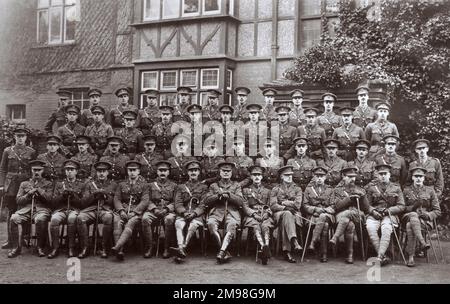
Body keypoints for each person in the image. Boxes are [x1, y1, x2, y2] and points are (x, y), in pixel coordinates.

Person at [7, 160, 53, 258]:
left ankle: (40, 247)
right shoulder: (24, 184)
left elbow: (50, 200)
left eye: (39, 170)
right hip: (26, 210)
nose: (36, 172)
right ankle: (16, 248)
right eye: (34, 170)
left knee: (40, 219)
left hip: (42, 209)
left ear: (43, 170)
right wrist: (28, 194)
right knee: (14, 218)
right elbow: (18, 200)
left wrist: (39, 190)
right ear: (31, 170)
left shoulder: (48, 184)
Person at [0, 127, 36, 249]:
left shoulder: (31, 151)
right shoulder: (7, 151)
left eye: (23, 136)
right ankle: (10, 240)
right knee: (11, 211)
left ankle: (24, 238)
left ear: (26, 138)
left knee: (24, 210)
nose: (20, 138)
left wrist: (32, 184)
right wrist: (1, 184)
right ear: (14, 137)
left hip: (24, 183)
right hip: (10, 184)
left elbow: (33, 169)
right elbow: (3, 169)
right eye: (18, 136)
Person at [203, 161, 244, 264]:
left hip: (232, 213)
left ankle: (221, 252)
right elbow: (206, 201)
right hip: (216, 212)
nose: (226, 173)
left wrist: (229, 195)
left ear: (231, 173)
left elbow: (240, 201)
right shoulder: (213, 186)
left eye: (228, 171)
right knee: (211, 224)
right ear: (219, 172)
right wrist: (218, 196)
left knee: (232, 224)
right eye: (223, 171)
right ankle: (224, 250)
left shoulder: (236, 185)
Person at [365, 164, 405, 266]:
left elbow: (401, 206)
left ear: (389, 175)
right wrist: (373, 211)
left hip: (389, 215)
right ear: (377, 175)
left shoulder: (396, 188)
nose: (383, 176)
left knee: (386, 228)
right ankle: (383, 256)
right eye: (381, 174)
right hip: (375, 215)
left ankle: (379, 256)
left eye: (385, 174)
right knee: (370, 227)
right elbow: (367, 205)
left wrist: (388, 211)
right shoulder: (371, 188)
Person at [170, 160, 208, 262]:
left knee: (193, 225)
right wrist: (184, 212)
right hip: (184, 213)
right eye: (191, 170)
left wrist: (195, 213)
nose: (193, 173)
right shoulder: (181, 187)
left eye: (195, 170)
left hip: (197, 214)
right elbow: (177, 203)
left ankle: (182, 248)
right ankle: (180, 246)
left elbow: (203, 204)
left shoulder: (204, 187)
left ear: (199, 172)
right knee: (179, 224)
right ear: (187, 172)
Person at [111, 161, 150, 261]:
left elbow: (145, 201)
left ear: (138, 171)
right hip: (123, 210)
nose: (132, 172)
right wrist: (121, 211)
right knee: (117, 221)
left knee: (131, 222)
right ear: (127, 171)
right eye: (130, 170)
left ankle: (118, 246)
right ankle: (119, 251)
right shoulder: (121, 184)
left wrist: (135, 212)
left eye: (134, 170)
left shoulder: (144, 185)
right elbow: (117, 199)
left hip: (137, 212)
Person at [329, 165, 368, 264]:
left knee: (348, 214)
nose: (352, 179)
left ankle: (335, 237)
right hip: (341, 216)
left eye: (353, 177)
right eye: (349, 177)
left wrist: (362, 197)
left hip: (357, 215)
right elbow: (336, 206)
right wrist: (349, 199)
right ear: (343, 176)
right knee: (349, 224)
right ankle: (350, 254)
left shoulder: (360, 189)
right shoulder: (337, 190)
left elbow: (366, 208)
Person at [402, 166, 440, 267]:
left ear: (424, 178)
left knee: (410, 226)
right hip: (407, 217)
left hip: (424, 222)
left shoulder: (430, 191)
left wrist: (427, 215)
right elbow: (402, 208)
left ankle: (411, 257)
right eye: (416, 176)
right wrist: (413, 207)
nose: (418, 178)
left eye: (421, 176)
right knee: (413, 215)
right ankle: (423, 243)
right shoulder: (406, 191)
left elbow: (437, 211)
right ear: (412, 178)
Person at [78, 161, 117, 258]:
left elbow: (115, 201)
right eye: (99, 171)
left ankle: (104, 247)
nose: (101, 173)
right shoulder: (90, 184)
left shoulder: (113, 184)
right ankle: (85, 248)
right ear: (96, 173)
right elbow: (84, 202)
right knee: (80, 217)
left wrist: (106, 196)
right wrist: (94, 195)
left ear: (108, 173)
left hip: (105, 209)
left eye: (104, 171)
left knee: (108, 217)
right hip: (91, 210)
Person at [48, 160, 85, 259]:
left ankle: (71, 247)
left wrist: (74, 196)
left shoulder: (82, 185)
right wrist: (62, 196)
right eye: (67, 169)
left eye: (72, 169)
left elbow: (83, 203)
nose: (69, 171)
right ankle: (55, 247)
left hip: (74, 210)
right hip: (61, 210)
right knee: (54, 219)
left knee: (72, 219)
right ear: (65, 171)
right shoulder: (59, 184)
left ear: (76, 171)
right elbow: (53, 202)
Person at [142, 161, 177, 258]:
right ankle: (150, 247)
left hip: (167, 211)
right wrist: (154, 209)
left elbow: (176, 201)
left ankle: (167, 247)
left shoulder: (174, 186)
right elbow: (146, 200)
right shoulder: (150, 185)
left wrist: (167, 209)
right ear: (157, 172)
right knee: (145, 219)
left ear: (168, 172)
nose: (162, 173)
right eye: (160, 170)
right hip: (153, 210)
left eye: (165, 170)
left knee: (169, 219)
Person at [269, 165, 303, 263]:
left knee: (287, 216)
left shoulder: (297, 189)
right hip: (278, 214)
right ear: (281, 177)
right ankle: (294, 241)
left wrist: (283, 202)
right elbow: (273, 205)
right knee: (287, 214)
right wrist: (284, 207)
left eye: (291, 175)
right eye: (286, 175)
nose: (289, 177)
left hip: (295, 214)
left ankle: (287, 251)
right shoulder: (276, 189)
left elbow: (297, 205)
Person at [242, 165, 273, 265]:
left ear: (262, 177)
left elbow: (270, 205)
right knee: (255, 226)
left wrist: (267, 214)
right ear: (250, 177)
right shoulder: (246, 191)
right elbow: (245, 206)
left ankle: (265, 247)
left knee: (265, 226)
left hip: (264, 215)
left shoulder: (268, 191)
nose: (256, 177)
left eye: (259, 175)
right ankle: (263, 246)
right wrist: (254, 214)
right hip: (252, 215)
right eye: (254, 175)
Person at [303, 166, 335, 262]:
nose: (319, 178)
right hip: (313, 216)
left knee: (323, 217)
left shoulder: (330, 189)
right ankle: (324, 253)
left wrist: (324, 210)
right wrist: (315, 209)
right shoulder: (308, 189)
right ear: (314, 177)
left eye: (322, 176)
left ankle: (313, 242)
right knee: (324, 225)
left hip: (328, 215)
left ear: (325, 177)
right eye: (317, 176)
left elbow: (333, 206)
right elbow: (305, 205)